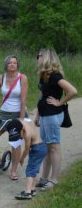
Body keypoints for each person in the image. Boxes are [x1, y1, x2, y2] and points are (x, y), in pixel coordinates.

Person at [34, 49, 78, 191]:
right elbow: (42, 96)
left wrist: (60, 102)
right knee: (46, 147)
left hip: (53, 115)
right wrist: (37, 115)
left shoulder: (55, 76)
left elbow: (73, 91)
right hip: (45, 114)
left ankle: (54, 179)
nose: (37, 59)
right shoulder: (44, 76)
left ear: (46, 58)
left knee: (54, 146)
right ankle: (44, 177)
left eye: (39, 56)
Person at [6, 119, 47, 200]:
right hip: (41, 147)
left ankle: (27, 192)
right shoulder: (23, 123)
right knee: (35, 169)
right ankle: (32, 189)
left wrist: (21, 158)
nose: (20, 138)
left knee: (30, 171)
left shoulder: (27, 134)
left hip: (37, 149)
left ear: (21, 129)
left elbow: (26, 149)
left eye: (19, 135)